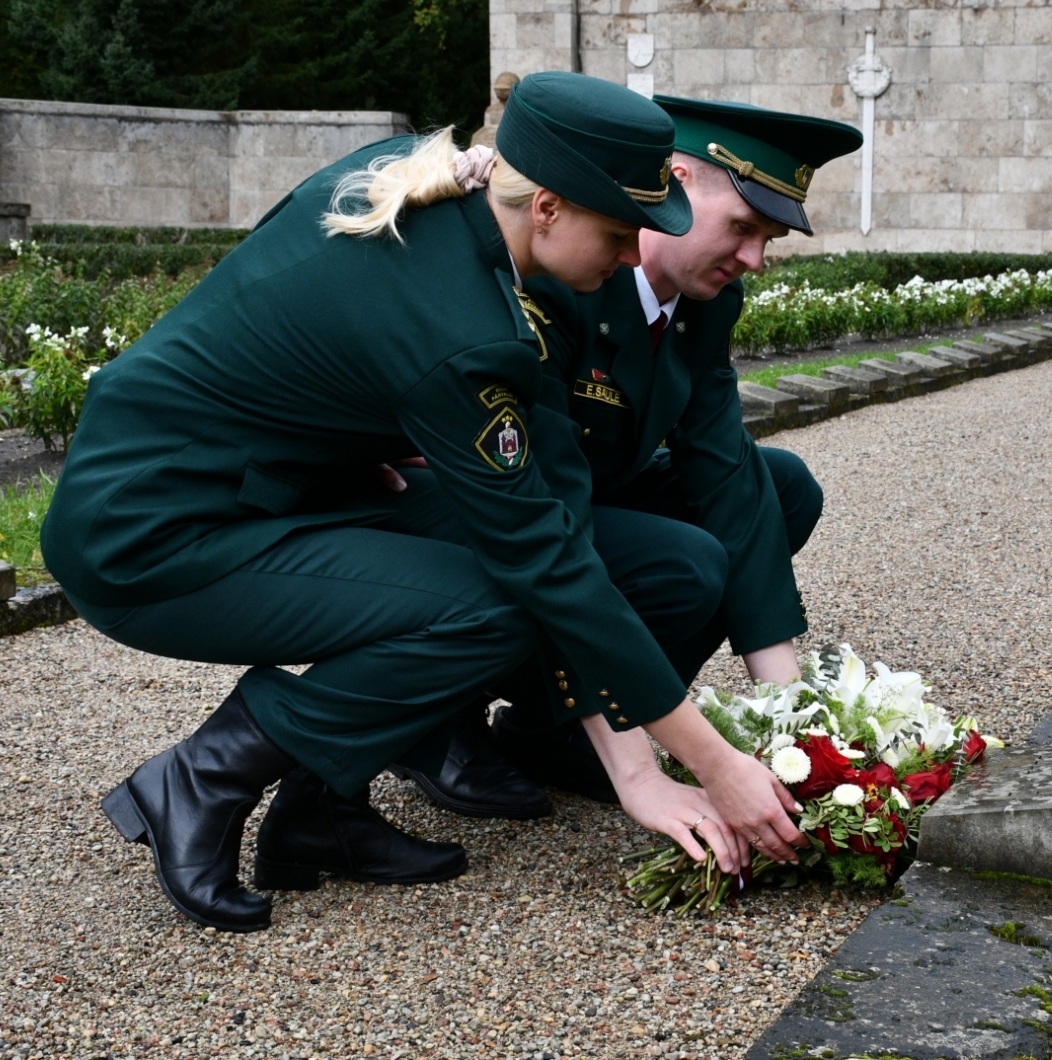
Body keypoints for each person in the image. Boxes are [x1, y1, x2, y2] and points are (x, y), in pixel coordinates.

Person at [41, 71, 804, 933]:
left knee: (536, 573)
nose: (634, 255)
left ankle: (321, 812)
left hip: (271, 485)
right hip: (148, 533)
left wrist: (342, 444)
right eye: (620, 232)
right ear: (546, 207)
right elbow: (546, 562)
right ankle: (203, 777)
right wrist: (704, 766)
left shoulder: (413, 177)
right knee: (496, 605)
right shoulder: (462, 324)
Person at [394, 95, 862, 816]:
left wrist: (796, 724)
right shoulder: (562, 270)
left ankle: (558, 730)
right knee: (684, 564)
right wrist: (648, 775)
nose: (755, 260)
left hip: (577, 496)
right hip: (484, 508)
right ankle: (438, 718)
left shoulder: (707, 303)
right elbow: (544, 510)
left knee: (781, 486)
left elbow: (726, 472)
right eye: (742, 228)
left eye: (768, 239)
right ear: (674, 183)